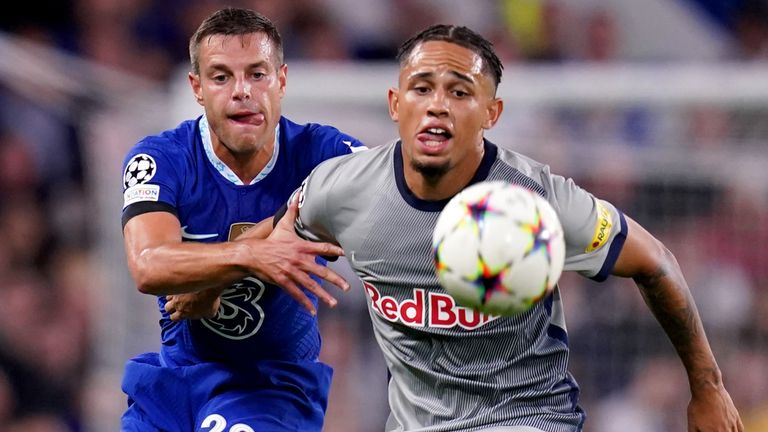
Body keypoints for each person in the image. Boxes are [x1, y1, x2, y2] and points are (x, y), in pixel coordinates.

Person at [288, 25, 744, 431]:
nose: (437, 106)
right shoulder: (345, 189)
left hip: (527, 418)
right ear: (394, 103)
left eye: (460, 93)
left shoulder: (535, 198)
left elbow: (655, 261)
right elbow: (266, 246)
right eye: (421, 89)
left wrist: (708, 388)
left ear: (492, 112)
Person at [119, 7, 363, 432]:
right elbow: (148, 265)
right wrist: (253, 254)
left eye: (257, 74)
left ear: (282, 80)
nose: (241, 92)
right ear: (196, 88)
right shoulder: (161, 159)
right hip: (175, 383)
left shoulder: (322, 153)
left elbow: (394, 191)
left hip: (270, 387)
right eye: (221, 77)